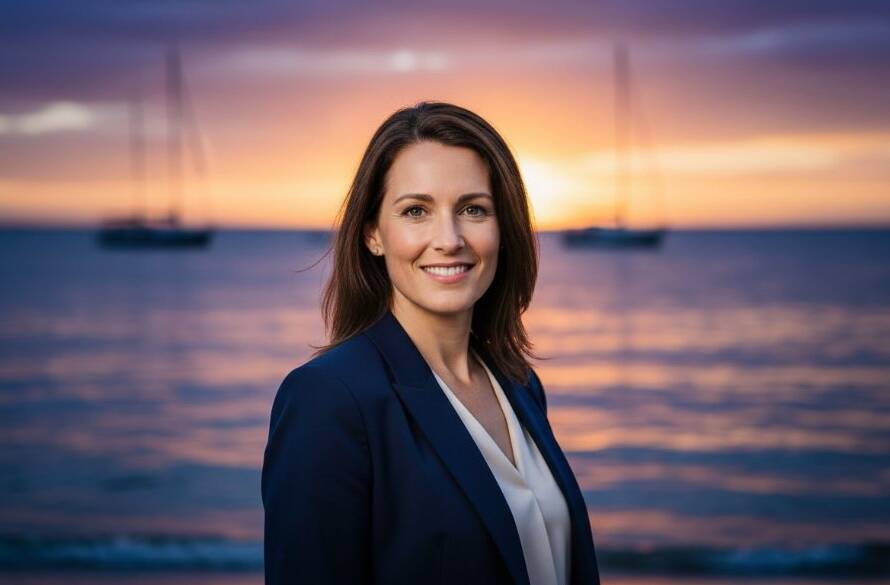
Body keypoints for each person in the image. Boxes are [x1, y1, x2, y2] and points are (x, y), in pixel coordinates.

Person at [261, 101, 601, 584]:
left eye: (473, 209)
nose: (449, 238)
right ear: (373, 234)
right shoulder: (328, 399)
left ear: (503, 228)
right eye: (416, 211)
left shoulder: (520, 384)